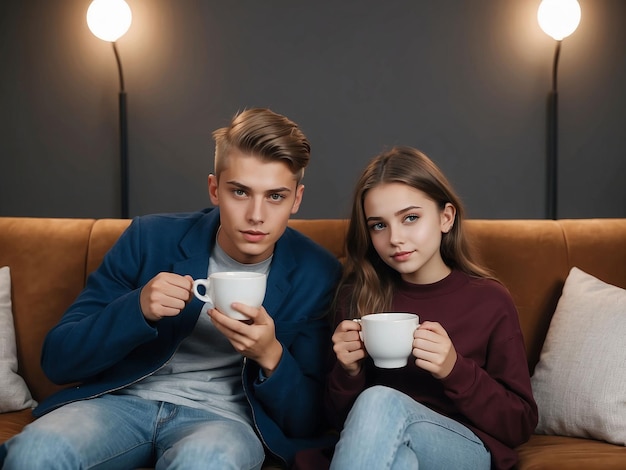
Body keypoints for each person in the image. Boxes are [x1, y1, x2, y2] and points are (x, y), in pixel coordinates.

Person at [0, 108, 342, 470]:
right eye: (240, 192)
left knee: (206, 463)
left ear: (297, 199)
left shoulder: (318, 273)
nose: (256, 215)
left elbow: (308, 420)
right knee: (34, 453)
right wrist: (137, 309)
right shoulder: (149, 238)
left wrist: (271, 355)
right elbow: (58, 360)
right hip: (120, 404)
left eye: (275, 196)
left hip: (224, 421)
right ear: (214, 189)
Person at [324, 147, 537, 470]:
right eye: (378, 225)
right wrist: (348, 372)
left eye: (410, 218)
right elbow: (342, 426)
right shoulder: (356, 298)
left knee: (379, 399)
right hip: (382, 448)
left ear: (445, 217)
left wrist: (455, 368)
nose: (395, 238)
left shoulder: (490, 300)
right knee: (401, 463)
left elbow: (520, 423)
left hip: (465, 447)